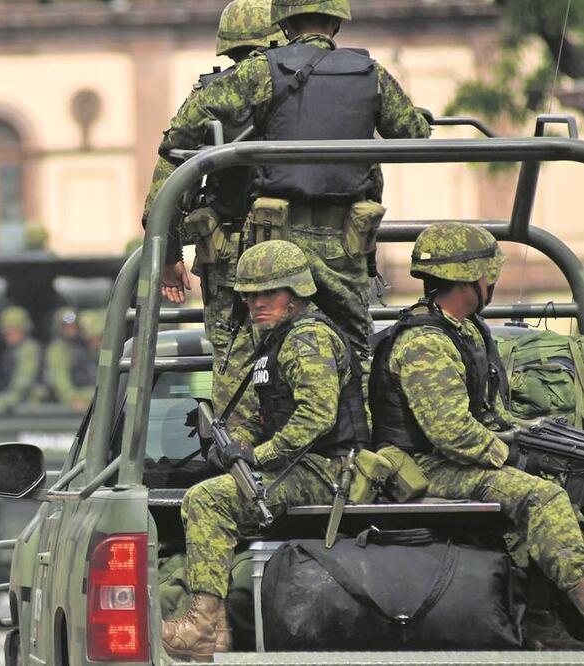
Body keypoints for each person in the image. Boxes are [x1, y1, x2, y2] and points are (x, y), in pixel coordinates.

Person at [157, 0, 431, 361]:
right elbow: (413, 133)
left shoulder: (260, 73)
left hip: (275, 241)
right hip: (343, 244)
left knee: (254, 356)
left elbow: (185, 128)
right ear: (337, 22)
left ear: (284, 24)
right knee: (353, 353)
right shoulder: (371, 74)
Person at [369, 222, 584, 623]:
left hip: (455, 458)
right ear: (469, 279)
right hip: (425, 465)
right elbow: (450, 434)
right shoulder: (425, 343)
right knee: (543, 496)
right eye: (489, 273)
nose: (493, 280)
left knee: (570, 470)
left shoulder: (465, 329)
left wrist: (531, 438)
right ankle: (558, 611)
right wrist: (514, 455)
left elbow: (490, 413)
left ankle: (545, 615)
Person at [163, 240, 367, 660]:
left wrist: (259, 456)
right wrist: (240, 444)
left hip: (329, 472)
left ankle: (202, 624)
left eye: (267, 293)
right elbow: (275, 412)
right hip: (308, 467)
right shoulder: (279, 338)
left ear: (296, 294)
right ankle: (214, 634)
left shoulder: (306, 338)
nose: (256, 303)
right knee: (213, 493)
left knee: (208, 499)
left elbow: (317, 417)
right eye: (249, 295)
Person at [143, 0, 283, 421]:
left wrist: (170, 258)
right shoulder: (315, 93)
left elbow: (166, 186)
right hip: (313, 247)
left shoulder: (212, 94)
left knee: (232, 358)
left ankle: (241, 463)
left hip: (230, 252)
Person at [0, 306, 42, 410]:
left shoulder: (28, 348)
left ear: (23, 330)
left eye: (12, 330)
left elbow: (24, 380)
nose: (7, 334)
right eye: (5, 331)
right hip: (14, 399)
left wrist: (6, 400)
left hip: (29, 404)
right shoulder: (9, 349)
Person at [44, 308, 95, 410]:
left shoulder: (83, 346)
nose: (70, 329)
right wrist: (73, 399)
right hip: (68, 403)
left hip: (87, 395)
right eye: (66, 326)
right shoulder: (58, 349)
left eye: (73, 326)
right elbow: (60, 380)